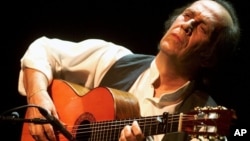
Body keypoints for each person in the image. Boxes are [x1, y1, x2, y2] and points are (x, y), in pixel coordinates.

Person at [18, 0, 240, 140]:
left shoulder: (205, 116)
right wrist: (38, 99)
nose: (187, 25)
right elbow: (42, 48)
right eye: (188, 15)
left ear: (209, 57)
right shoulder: (115, 60)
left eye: (202, 27)